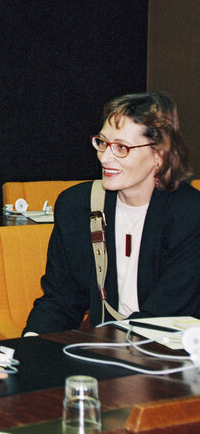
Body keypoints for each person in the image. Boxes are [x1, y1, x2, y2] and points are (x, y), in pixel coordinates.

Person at [25, 92, 200, 334]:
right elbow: (60, 301)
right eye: (103, 142)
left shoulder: (189, 214)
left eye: (121, 147)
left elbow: (166, 316)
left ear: (159, 155)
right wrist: (29, 347)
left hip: (170, 354)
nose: (105, 157)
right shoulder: (76, 206)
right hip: (109, 350)